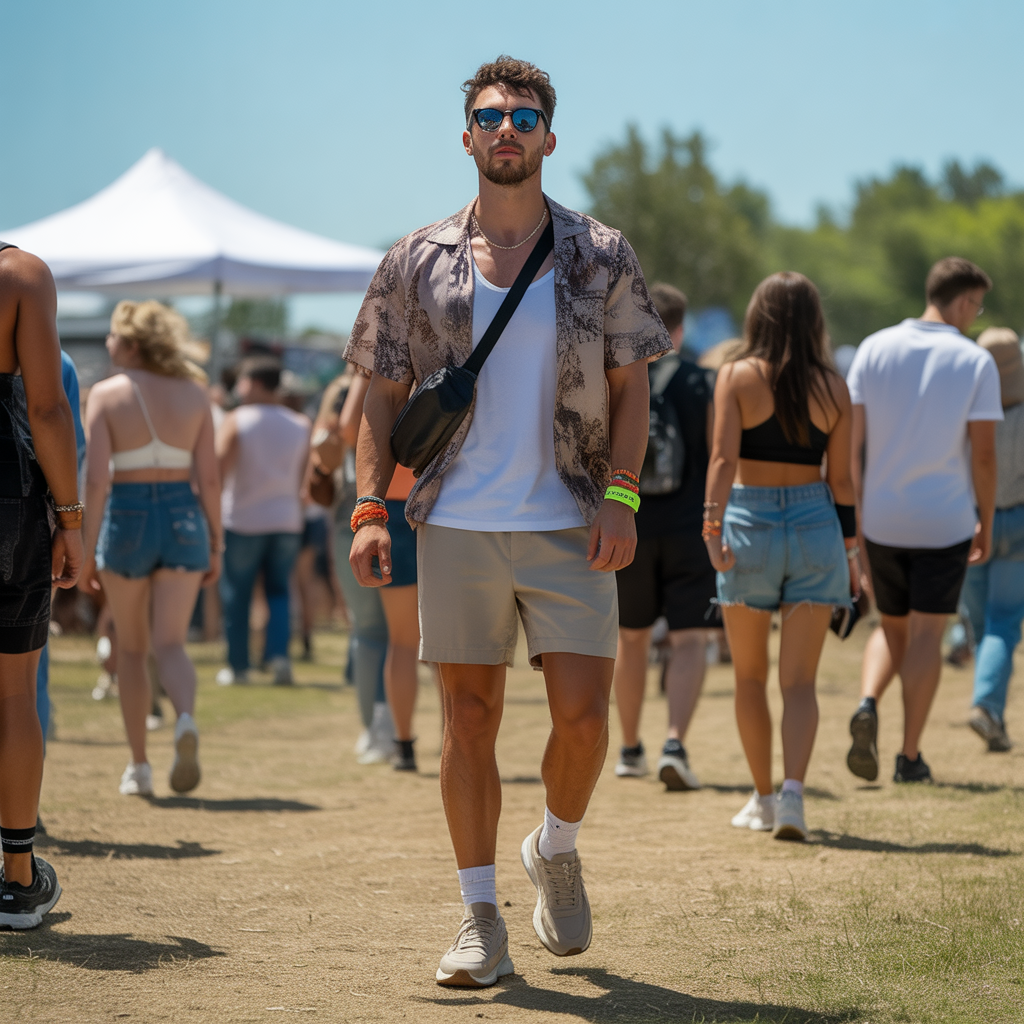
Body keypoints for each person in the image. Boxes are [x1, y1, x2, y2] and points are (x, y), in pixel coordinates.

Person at [345, 56, 668, 987]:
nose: (507, 130)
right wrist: (370, 506)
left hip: (571, 516)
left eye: (524, 117)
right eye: (490, 116)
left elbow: (630, 386)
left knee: (583, 722)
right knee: (469, 720)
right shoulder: (415, 259)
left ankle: (555, 845)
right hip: (453, 520)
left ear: (549, 138)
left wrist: (622, 490)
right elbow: (379, 394)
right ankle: (479, 916)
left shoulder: (601, 252)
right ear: (467, 136)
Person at [704, 272, 858, 841]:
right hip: (817, 527)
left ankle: (763, 798)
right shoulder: (834, 387)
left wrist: (710, 528)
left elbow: (722, 460)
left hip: (750, 525)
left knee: (749, 677)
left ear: (758, 316)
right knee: (801, 683)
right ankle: (794, 796)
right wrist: (851, 551)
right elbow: (842, 481)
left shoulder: (737, 375)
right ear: (814, 319)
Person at [846, 257, 1000, 783]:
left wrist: (857, 512)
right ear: (961, 301)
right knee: (928, 636)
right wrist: (987, 519)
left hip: (882, 518)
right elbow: (983, 456)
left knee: (890, 628)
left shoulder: (872, 347)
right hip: (945, 519)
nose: (974, 317)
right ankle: (909, 756)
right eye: (975, 307)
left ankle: (867, 701)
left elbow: (852, 445)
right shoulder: (975, 361)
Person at [81, 301, 220, 797]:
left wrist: (84, 541)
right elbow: (208, 476)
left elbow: (97, 479)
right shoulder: (195, 392)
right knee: (172, 644)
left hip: (128, 516)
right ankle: (184, 719)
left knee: (132, 649)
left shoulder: (105, 393)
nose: (108, 344)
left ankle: (138, 766)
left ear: (131, 345)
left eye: (114, 337)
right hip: (185, 515)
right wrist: (217, 541)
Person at [0, 242, 82, 928]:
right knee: (14, 692)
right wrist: (73, 519)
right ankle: (19, 878)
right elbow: (49, 409)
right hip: (7, 499)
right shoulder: (19, 275)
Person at [611, 282, 718, 789]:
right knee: (690, 640)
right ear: (680, 327)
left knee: (630, 641)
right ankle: (674, 742)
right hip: (689, 529)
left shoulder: (620, 380)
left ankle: (629, 748)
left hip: (629, 524)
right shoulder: (704, 382)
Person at [309, 372, 394, 765]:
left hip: (355, 516)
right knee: (415, 639)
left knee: (369, 632)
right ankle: (404, 727)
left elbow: (324, 459)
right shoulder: (419, 366)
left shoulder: (342, 392)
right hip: (412, 513)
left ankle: (376, 730)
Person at [215, 357, 310, 686]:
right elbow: (304, 479)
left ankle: (238, 666)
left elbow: (218, 470)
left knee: (237, 594)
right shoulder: (299, 423)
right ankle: (280, 658)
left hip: (243, 519)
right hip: (286, 519)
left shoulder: (237, 419)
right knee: (279, 592)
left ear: (254, 384)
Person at [958, 328, 1024, 751]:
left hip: (968, 523)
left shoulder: (964, 413)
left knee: (980, 622)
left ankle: (991, 711)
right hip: (1017, 522)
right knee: (1003, 620)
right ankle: (988, 707)